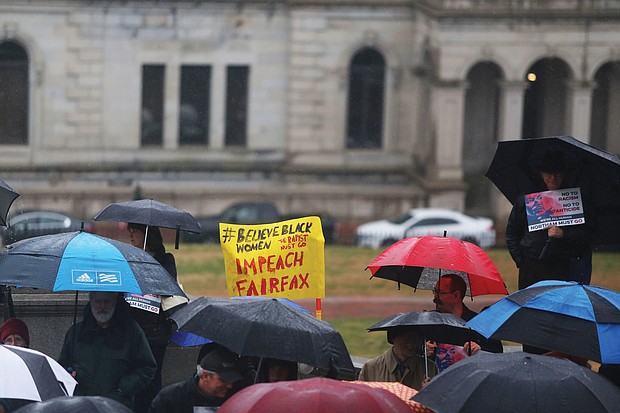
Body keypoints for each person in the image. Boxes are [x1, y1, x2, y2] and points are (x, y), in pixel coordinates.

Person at [506, 150, 592, 289]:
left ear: (564, 174)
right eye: (548, 173)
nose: (552, 178)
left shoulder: (575, 201)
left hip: (562, 267)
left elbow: (587, 235)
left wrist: (564, 234)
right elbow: (512, 233)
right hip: (530, 267)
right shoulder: (526, 199)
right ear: (541, 173)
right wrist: (521, 261)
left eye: (557, 173)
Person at [58, 291, 156, 409]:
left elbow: (147, 367)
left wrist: (123, 388)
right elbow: (62, 366)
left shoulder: (131, 331)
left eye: (107, 302)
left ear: (115, 302)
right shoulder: (76, 332)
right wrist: (68, 375)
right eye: (97, 302)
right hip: (82, 405)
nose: (102, 306)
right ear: (91, 302)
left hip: (117, 405)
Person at [127, 223, 180, 413]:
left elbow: (167, 285)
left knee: (152, 378)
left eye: (135, 231)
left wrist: (146, 265)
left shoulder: (165, 259)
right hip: (133, 327)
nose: (131, 235)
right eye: (129, 232)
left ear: (147, 235)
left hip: (156, 330)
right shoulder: (129, 258)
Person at [426, 274, 503, 371]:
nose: (435, 297)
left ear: (456, 295)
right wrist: (425, 349)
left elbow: (497, 354)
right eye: (435, 291)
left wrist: (480, 350)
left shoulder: (479, 323)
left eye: (440, 293)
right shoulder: (429, 320)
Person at [149, 346, 244, 413]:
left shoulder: (237, 399)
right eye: (223, 380)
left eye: (231, 380)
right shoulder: (170, 398)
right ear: (206, 376)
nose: (229, 385)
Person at [358, 327, 437, 390]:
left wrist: (427, 394)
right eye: (407, 336)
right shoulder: (371, 368)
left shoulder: (429, 368)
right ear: (393, 338)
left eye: (416, 337)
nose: (412, 342)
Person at [1, 318, 33, 413]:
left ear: (25, 343)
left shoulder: (34, 367)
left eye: (18, 339)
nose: (13, 344)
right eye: (8, 340)